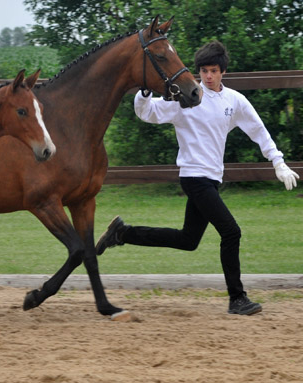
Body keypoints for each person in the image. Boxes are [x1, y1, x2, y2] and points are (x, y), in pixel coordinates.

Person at [96, 41, 299, 315]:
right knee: (231, 231)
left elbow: (258, 131)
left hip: (212, 180)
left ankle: (122, 233)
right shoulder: (187, 99)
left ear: (223, 72)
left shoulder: (234, 101)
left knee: (188, 240)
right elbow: (147, 112)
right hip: (194, 178)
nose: (208, 76)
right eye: (204, 70)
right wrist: (144, 93)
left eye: (213, 70)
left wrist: (278, 162)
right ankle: (237, 298)